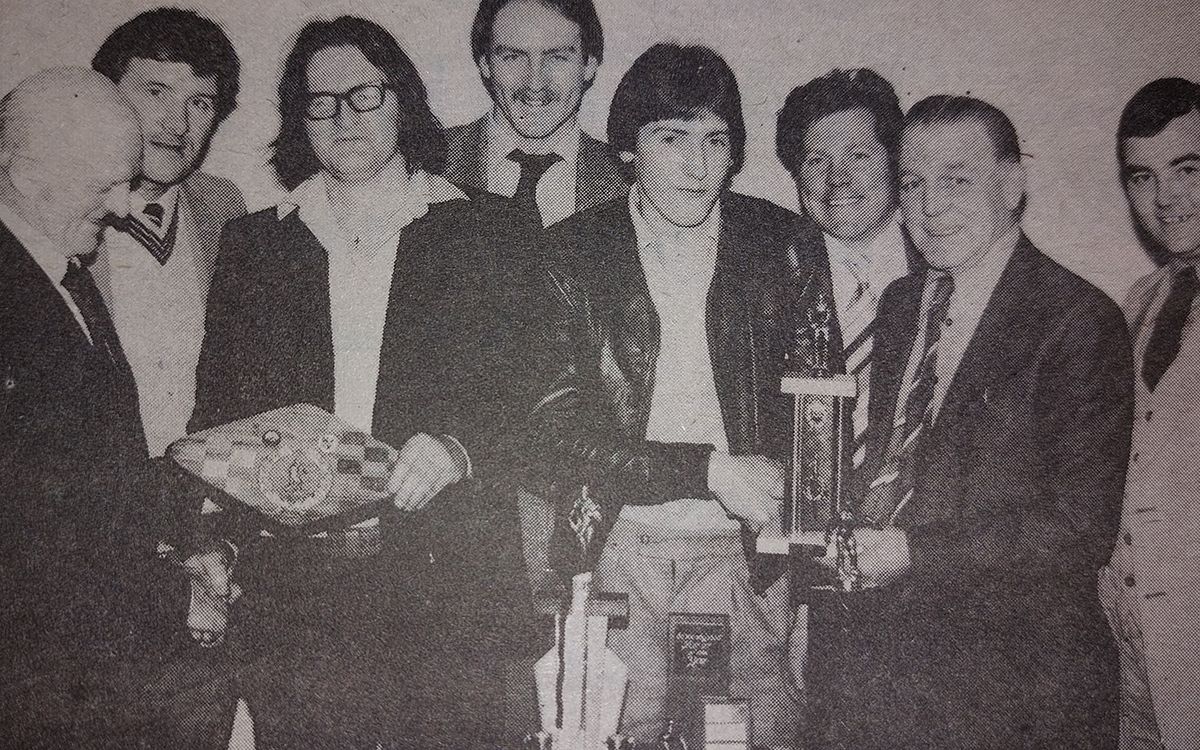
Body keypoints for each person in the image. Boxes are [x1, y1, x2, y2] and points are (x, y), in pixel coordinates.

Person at [189, 16, 535, 749]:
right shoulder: (257, 245)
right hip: (297, 598)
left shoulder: (489, 232)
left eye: (365, 95)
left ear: (402, 102)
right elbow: (217, 415)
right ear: (299, 120)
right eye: (321, 102)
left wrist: (458, 448)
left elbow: (531, 398)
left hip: (445, 588)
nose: (343, 117)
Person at [804, 94, 1131, 749]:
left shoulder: (1077, 319)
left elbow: (1080, 525)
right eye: (913, 184)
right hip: (892, 675)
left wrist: (911, 553)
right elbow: (893, 470)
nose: (929, 208)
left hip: (1019, 689)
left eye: (956, 181)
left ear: (1011, 186)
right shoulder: (901, 306)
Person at [526, 43, 807, 749]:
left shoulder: (779, 241)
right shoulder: (571, 253)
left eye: (716, 141)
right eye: (671, 138)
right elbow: (551, 436)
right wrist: (708, 468)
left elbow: (817, 407)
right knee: (615, 736)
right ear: (628, 149)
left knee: (750, 737)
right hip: (617, 549)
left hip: (747, 557)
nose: (696, 164)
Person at [0, 66, 234, 749]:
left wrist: (187, 548)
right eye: (105, 183)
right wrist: (170, 596)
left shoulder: (59, 270)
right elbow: (27, 525)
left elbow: (96, 473)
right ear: (24, 169)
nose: (125, 206)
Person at [91, 8, 246, 460]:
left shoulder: (224, 208)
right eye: (156, 92)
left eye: (200, 103)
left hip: (202, 495)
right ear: (107, 95)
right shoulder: (63, 211)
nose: (177, 123)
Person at [1101, 77, 1200, 750]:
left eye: (1188, 170)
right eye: (1144, 177)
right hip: (1131, 650)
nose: (1166, 199)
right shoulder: (1140, 300)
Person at [775, 69, 921, 473]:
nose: (838, 180)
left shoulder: (942, 266)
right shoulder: (771, 273)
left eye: (858, 156)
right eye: (818, 161)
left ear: (895, 161)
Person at [445, 0, 625, 228]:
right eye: (513, 56)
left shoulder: (631, 177)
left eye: (557, 57)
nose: (535, 82)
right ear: (485, 65)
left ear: (589, 65)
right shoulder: (424, 160)